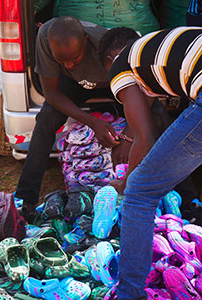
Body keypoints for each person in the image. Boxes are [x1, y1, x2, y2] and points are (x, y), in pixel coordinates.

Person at [99, 26, 202, 300]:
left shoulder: (119, 68)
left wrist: (125, 181)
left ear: (111, 60)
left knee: (139, 194)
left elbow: (144, 135)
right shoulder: (157, 51)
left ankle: (129, 294)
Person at [15, 16, 122, 222]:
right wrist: (93, 122)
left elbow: (136, 92)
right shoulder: (46, 38)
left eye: (76, 58)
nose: (69, 65)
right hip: (74, 85)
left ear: (85, 42)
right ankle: (26, 199)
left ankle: (188, 197)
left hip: (110, 82)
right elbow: (52, 93)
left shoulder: (104, 42)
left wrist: (130, 133)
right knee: (46, 118)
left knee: (158, 117)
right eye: (61, 60)